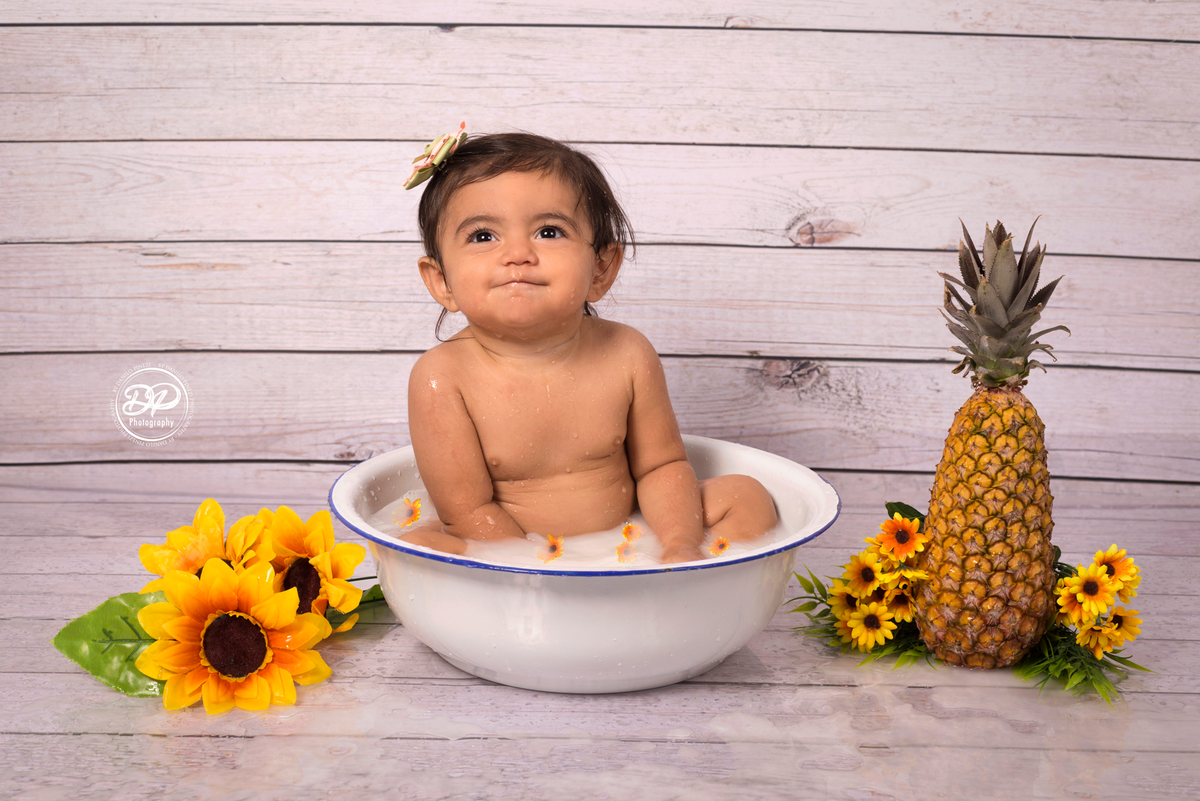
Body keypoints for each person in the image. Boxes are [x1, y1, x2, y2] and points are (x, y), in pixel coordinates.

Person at [401, 127, 777, 563]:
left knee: (745, 495)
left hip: (630, 537)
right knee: (415, 547)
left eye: (549, 232)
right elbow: (467, 511)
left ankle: (685, 587)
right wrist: (541, 568)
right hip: (509, 552)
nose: (518, 253)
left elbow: (661, 468)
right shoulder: (442, 378)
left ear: (601, 268)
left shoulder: (627, 353)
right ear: (441, 280)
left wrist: (679, 544)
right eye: (483, 236)